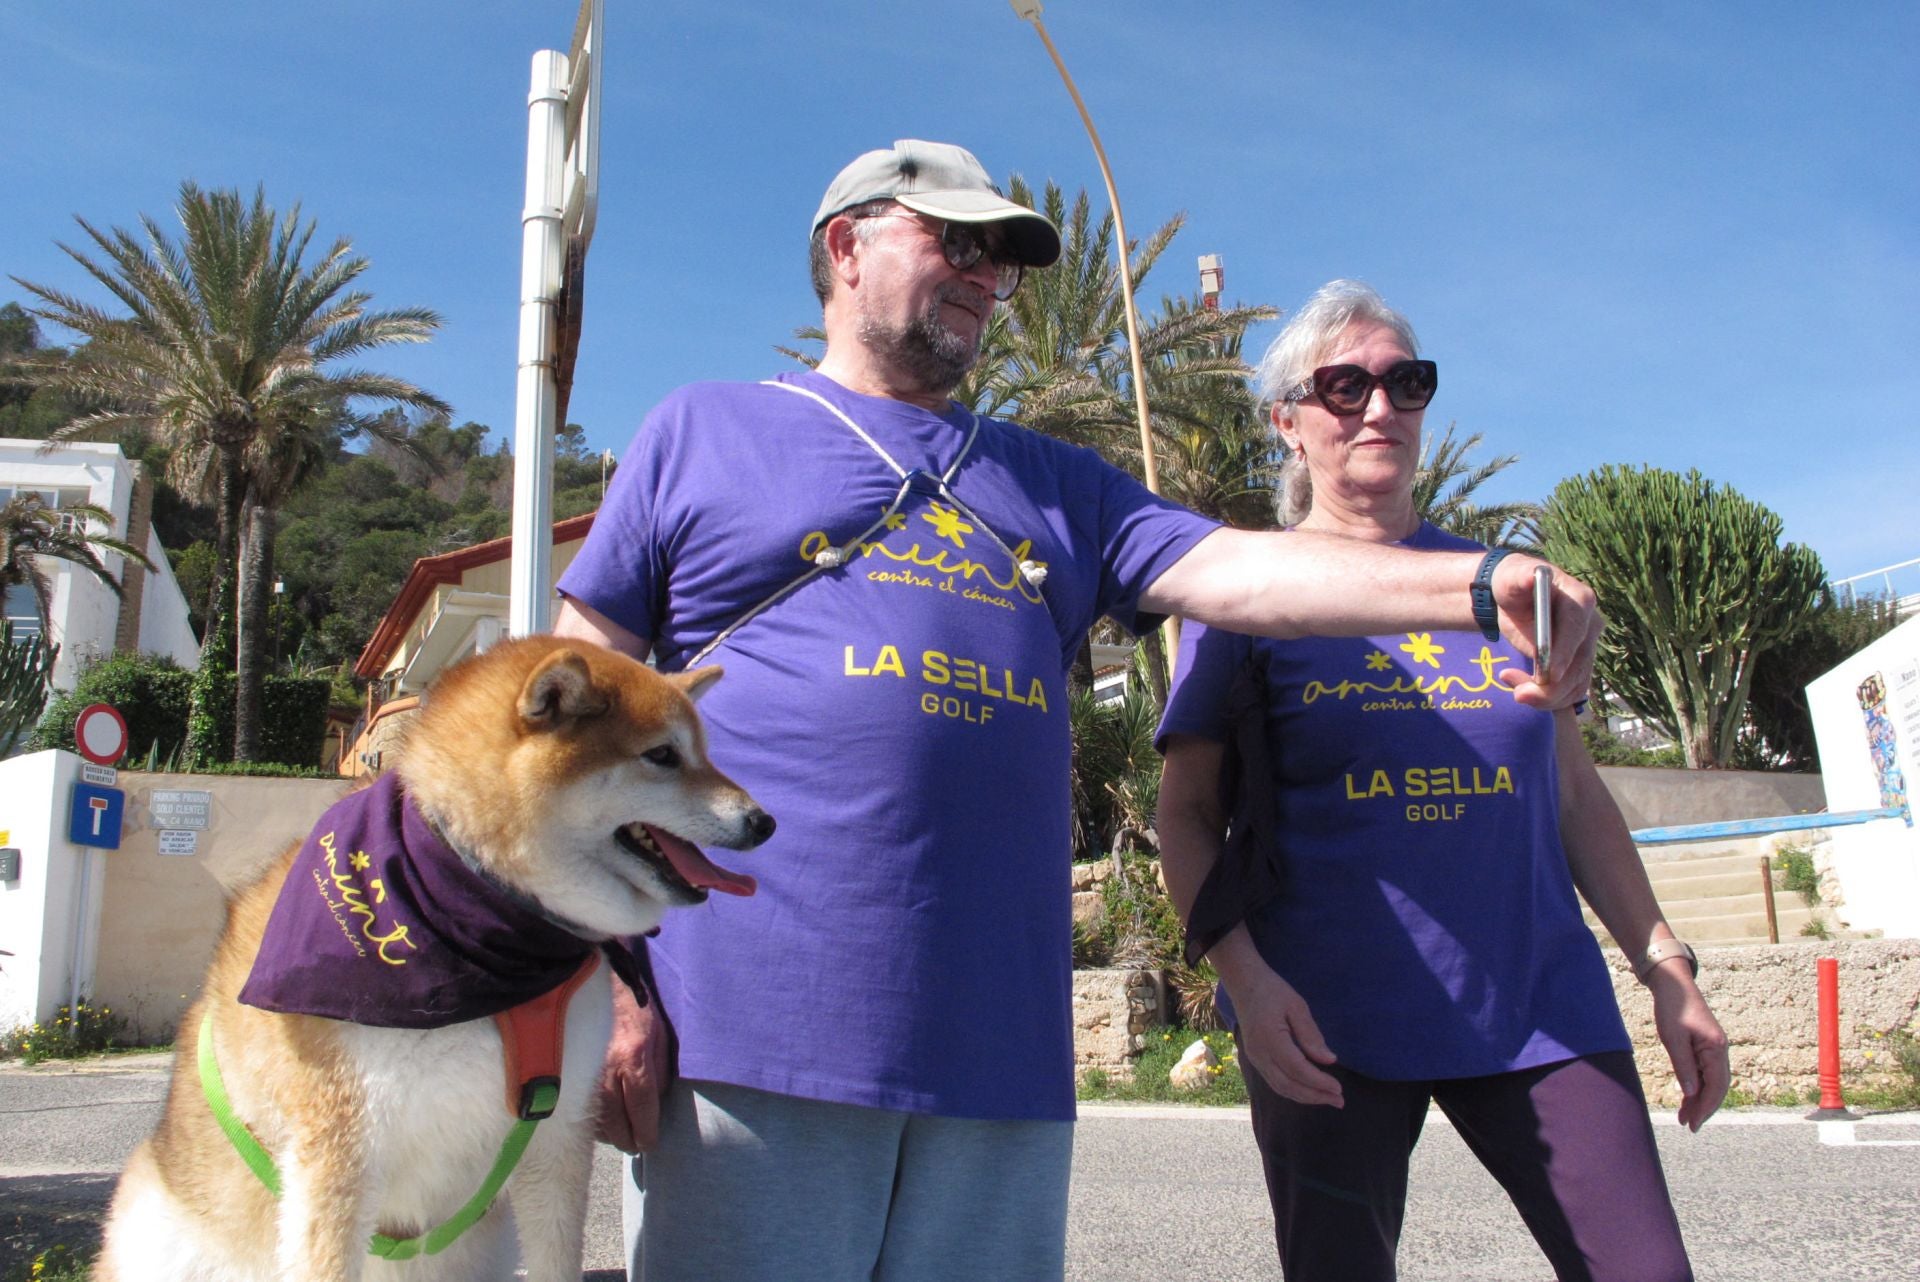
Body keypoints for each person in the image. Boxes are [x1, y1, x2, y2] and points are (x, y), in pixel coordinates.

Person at [552, 143, 1602, 1282]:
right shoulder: (702, 430)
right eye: (955, 239)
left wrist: (1481, 580)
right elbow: (567, 723)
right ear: (845, 246)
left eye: (1001, 257)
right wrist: (593, 980)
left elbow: (1248, 576)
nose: (983, 273)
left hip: (1000, 1065)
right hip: (752, 1036)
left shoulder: (1060, 481)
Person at [1154, 279, 1729, 1282]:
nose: (1379, 407)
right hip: (1325, 1021)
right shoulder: (1246, 596)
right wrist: (1245, 982)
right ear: (1288, 423)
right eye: (1344, 386)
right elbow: (1188, 817)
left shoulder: (1509, 587)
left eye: (1403, 382)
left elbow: (1577, 799)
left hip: (1543, 1006)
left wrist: (1665, 968)